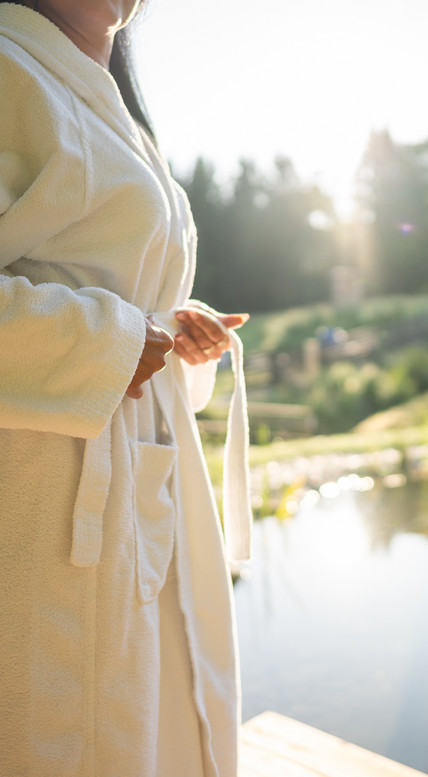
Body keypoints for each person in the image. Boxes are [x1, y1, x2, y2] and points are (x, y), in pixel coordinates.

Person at [0, 2, 253, 775]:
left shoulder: (106, 100)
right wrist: (112, 339)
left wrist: (168, 327)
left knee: (153, 717)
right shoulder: (8, 68)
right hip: (40, 503)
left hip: (138, 487)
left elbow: (106, 278)